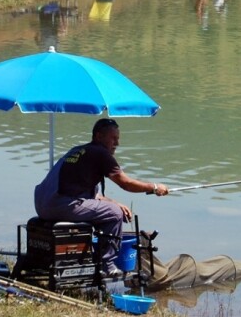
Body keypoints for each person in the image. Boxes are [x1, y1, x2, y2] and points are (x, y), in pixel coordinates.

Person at [33, 118, 169, 276]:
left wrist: (115, 202)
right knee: (115, 214)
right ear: (98, 136)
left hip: (42, 204)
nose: (117, 143)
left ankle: (92, 255)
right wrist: (154, 187)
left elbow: (94, 195)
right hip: (60, 205)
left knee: (113, 209)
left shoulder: (78, 151)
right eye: (113, 138)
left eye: (118, 139)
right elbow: (126, 183)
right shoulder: (100, 153)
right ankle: (108, 265)